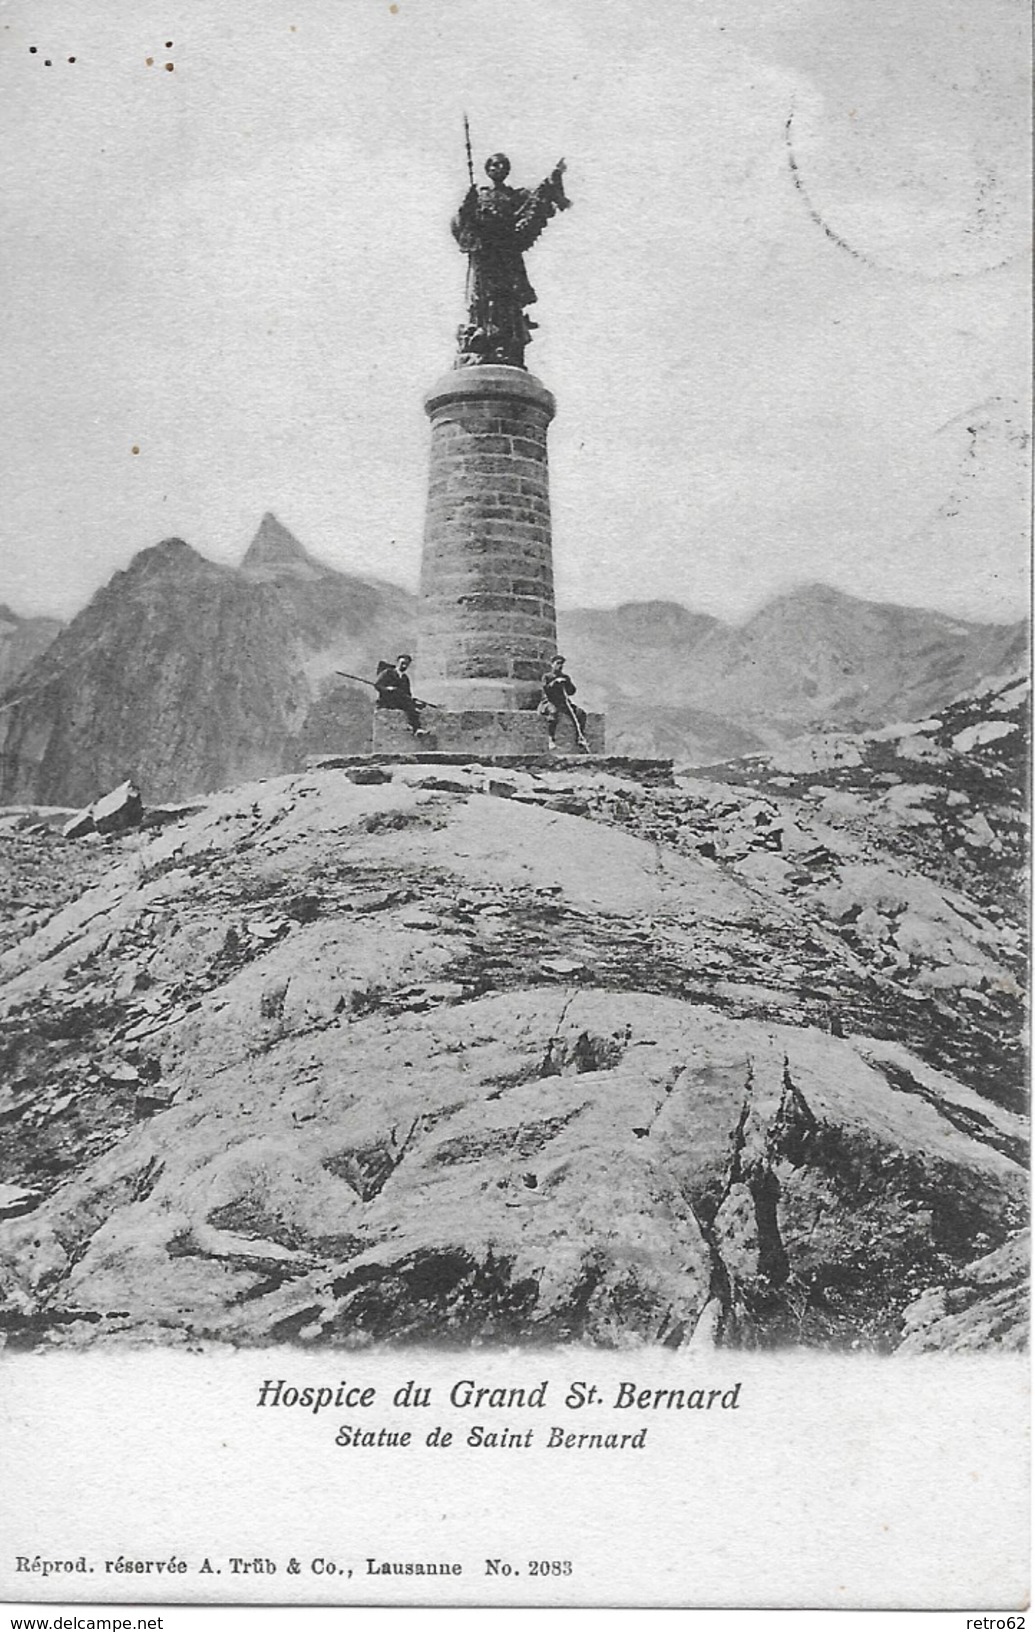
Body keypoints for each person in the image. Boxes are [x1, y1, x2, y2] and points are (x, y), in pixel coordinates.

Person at [451, 152, 570, 368]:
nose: (498, 168)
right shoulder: (479, 194)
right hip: (485, 254)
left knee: (506, 299)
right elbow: (462, 222)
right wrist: (468, 205)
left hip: (506, 255)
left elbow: (534, 203)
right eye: (494, 165)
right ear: (487, 169)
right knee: (483, 298)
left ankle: (505, 343)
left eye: (502, 165)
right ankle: (482, 337)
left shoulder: (515, 196)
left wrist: (553, 178)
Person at [538, 654, 588, 750]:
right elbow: (546, 689)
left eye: (561, 664)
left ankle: (579, 737)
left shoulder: (565, 677)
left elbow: (572, 691)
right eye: (558, 663)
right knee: (553, 712)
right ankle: (551, 738)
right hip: (549, 701)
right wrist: (555, 682)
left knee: (580, 713)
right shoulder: (547, 677)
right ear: (552, 664)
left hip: (563, 703)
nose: (560, 666)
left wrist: (566, 683)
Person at [374, 654, 429, 736]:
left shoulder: (405, 678)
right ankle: (416, 728)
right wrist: (388, 689)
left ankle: (417, 729)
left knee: (411, 706)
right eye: (402, 663)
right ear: (397, 663)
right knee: (408, 704)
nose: (404, 665)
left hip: (399, 702)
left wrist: (415, 702)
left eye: (406, 664)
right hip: (386, 701)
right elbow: (377, 685)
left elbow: (407, 694)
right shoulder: (388, 673)